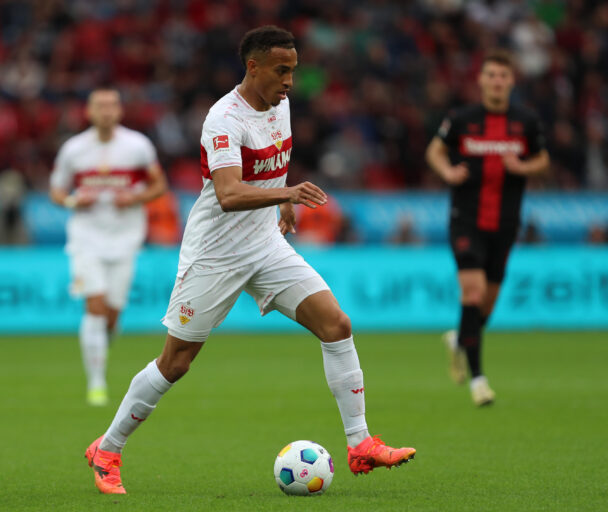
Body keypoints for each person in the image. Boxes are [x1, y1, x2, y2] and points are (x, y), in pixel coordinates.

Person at [84, 26, 415, 495]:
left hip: (265, 246)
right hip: (215, 254)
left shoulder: (280, 105)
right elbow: (228, 192)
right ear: (253, 66)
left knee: (336, 325)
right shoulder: (223, 118)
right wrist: (288, 193)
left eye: (294, 71)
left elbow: (272, 163)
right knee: (176, 362)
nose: (290, 82)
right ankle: (108, 448)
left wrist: (281, 203)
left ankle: (360, 444)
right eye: (282, 71)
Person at [425, 49, 549, 406]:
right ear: (481, 80)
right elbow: (434, 151)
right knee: (473, 293)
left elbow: (543, 159)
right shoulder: (462, 118)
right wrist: (448, 172)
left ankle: (460, 339)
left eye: (503, 76)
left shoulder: (525, 121)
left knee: (486, 307)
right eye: (491, 75)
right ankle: (478, 380)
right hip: (466, 219)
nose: (497, 81)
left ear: (511, 81)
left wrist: (523, 168)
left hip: (506, 223)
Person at [50, 88, 168, 406]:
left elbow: (159, 185)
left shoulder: (137, 146)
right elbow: (57, 191)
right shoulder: (73, 149)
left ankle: (101, 348)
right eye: (99, 105)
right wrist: (75, 200)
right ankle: (96, 384)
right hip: (86, 238)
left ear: (119, 111)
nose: (106, 111)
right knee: (96, 306)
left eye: (112, 105)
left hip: (126, 238)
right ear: (88, 112)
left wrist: (135, 197)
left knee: (112, 315)